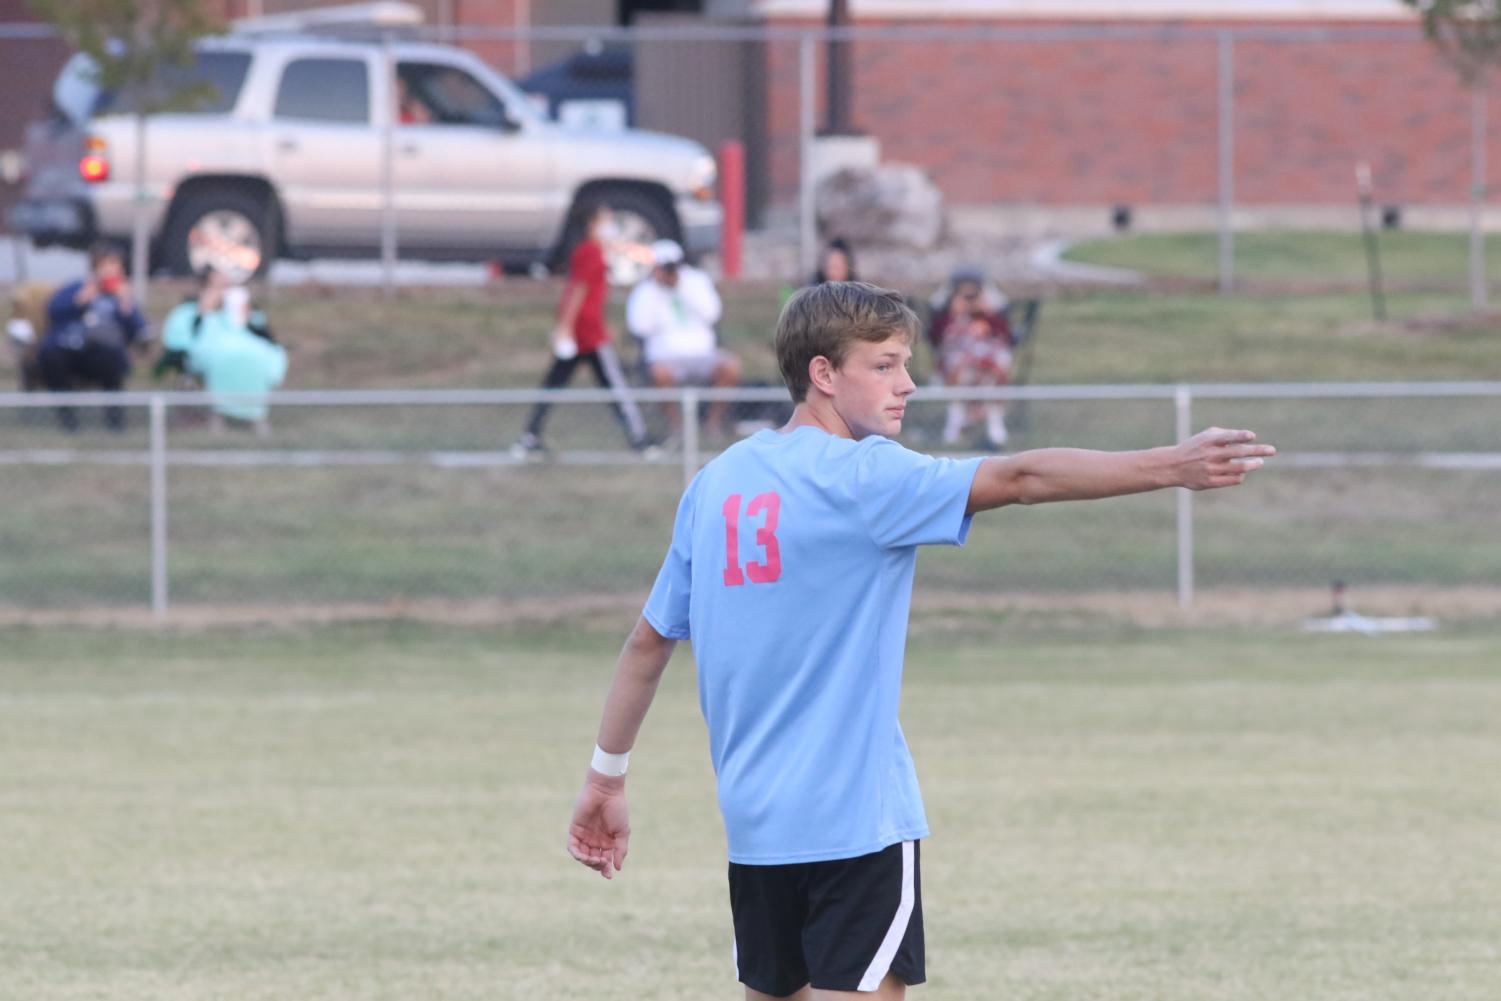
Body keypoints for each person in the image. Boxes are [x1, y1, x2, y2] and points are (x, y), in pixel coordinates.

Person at [566, 281, 1275, 1000]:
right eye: (884, 364)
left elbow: (647, 644)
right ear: (822, 374)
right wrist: (1169, 466)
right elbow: (1021, 475)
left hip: (756, 828)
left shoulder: (715, 485)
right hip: (854, 824)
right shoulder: (866, 476)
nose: (907, 383)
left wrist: (604, 778)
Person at [513, 202, 651, 457]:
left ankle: (530, 435)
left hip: (581, 329)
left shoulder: (589, 251)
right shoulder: (590, 252)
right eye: (605, 220)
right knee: (615, 386)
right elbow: (578, 290)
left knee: (553, 385)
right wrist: (565, 327)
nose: (610, 226)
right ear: (591, 224)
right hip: (589, 332)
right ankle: (639, 438)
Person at [626, 239, 741, 442]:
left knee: (731, 367)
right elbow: (639, 326)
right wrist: (658, 290)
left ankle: (712, 424)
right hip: (665, 356)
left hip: (702, 353)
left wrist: (681, 289)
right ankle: (678, 429)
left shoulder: (695, 281)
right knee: (659, 374)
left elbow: (712, 313)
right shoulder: (646, 291)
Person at [158, 267, 288, 433]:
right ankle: (219, 413)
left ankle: (255, 415)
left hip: (246, 350)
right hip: (213, 353)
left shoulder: (239, 309)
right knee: (224, 360)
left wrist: (246, 317)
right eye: (216, 284)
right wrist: (203, 312)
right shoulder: (190, 310)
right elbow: (183, 340)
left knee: (257, 359)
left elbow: (265, 336)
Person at [37, 242, 148, 431]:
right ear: (95, 267)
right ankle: (68, 421)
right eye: (107, 266)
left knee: (111, 357)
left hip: (101, 353)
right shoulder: (75, 288)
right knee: (51, 357)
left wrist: (126, 306)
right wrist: (80, 300)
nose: (112, 271)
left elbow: (139, 331)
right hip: (69, 348)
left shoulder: (121, 296)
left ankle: (115, 422)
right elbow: (53, 312)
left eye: (116, 266)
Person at [928, 267, 1014, 449]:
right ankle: (957, 417)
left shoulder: (991, 310)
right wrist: (953, 314)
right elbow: (935, 337)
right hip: (958, 359)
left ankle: (993, 419)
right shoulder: (946, 311)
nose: (969, 299)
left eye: (972, 294)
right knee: (961, 367)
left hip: (987, 361)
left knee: (995, 366)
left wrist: (987, 316)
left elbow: (1006, 336)